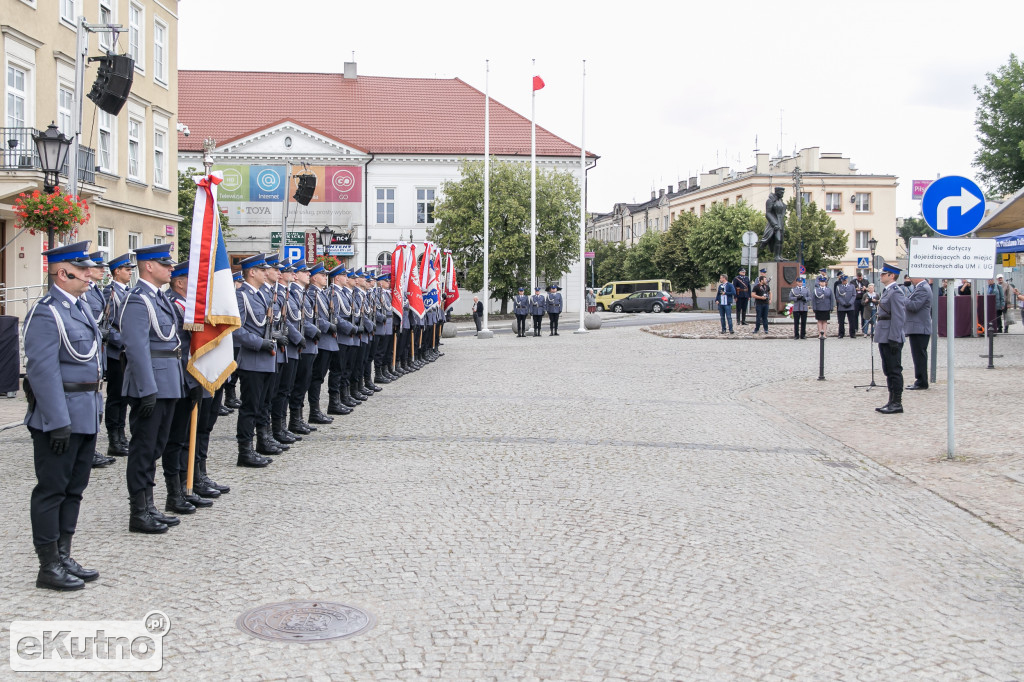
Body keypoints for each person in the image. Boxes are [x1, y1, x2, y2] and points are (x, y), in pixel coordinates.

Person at [23, 242, 103, 590]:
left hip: (85, 411)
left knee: (75, 489)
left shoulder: (79, 307)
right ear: (62, 273)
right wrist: (57, 422)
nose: (90, 274)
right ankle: (48, 565)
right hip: (62, 417)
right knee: (52, 490)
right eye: (82, 269)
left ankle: (64, 553)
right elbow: (42, 371)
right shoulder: (46, 312)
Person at [119, 243, 186, 534]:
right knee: (144, 448)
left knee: (157, 446)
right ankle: (139, 511)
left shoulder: (159, 298)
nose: (171, 268)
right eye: (165, 264)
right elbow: (135, 347)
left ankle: (151, 505)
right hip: (152, 383)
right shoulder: (138, 300)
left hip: (169, 379)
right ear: (148, 266)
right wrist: (147, 389)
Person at [161, 261, 210, 515]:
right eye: (192, 279)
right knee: (175, 439)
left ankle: (186, 485)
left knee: (185, 436)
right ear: (180, 282)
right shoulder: (172, 303)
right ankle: (175, 493)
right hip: (179, 377)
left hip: (189, 378)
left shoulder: (187, 305)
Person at [233, 253, 280, 466]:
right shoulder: (241, 296)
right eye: (262, 270)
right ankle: (245, 451)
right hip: (252, 359)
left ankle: (262, 442)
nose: (265, 272)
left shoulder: (261, 295)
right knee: (250, 407)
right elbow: (236, 329)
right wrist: (259, 343)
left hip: (266, 358)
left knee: (263, 404)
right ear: (252, 272)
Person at [101, 253, 135, 460]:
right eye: (127, 269)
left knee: (125, 397)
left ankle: (122, 436)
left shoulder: (128, 292)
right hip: (117, 353)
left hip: (127, 352)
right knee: (116, 397)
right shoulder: (110, 293)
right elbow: (107, 324)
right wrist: (123, 341)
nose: (130, 272)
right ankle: (114, 438)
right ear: (117, 272)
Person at [875, 263, 907, 414]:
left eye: (883, 274)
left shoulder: (896, 292)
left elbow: (899, 317)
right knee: (888, 369)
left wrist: (894, 338)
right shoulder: (887, 291)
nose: (881, 276)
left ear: (891, 275)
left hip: (891, 336)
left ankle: (897, 402)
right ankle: (891, 400)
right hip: (884, 335)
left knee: (894, 370)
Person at [905, 276, 932, 391]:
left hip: (920, 327)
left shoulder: (923, 288)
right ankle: (920, 380)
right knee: (918, 355)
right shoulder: (920, 287)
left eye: (912, 276)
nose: (910, 279)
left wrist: (903, 298)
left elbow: (914, 306)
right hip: (917, 327)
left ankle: (921, 381)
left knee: (919, 356)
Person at [835, 274, 858, 338]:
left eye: (845, 280)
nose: (844, 281)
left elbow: (854, 295)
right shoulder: (838, 287)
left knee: (852, 321)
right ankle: (841, 333)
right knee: (841, 321)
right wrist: (843, 303)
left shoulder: (852, 286)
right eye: (843, 280)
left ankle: (852, 334)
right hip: (842, 306)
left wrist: (850, 303)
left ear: (847, 280)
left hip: (850, 306)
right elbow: (837, 296)